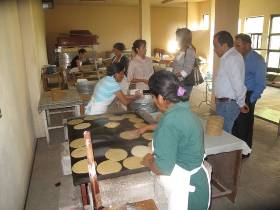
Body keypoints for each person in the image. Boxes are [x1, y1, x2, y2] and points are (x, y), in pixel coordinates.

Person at [141, 70, 210, 210]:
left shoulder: (169, 121)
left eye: (153, 97)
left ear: (160, 98)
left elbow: (162, 168)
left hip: (185, 190)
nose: (154, 101)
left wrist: (148, 162)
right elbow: (177, 128)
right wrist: (149, 126)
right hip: (196, 180)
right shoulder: (183, 109)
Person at [232, 33, 266, 151]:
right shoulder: (238, 57)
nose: (235, 48)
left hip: (248, 95)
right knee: (236, 123)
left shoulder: (257, 60)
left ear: (247, 45)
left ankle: (245, 151)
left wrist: (250, 100)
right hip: (237, 93)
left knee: (245, 125)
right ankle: (235, 150)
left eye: (238, 45)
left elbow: (261, 84)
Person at [213, 31, 249, 133]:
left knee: (224, 136)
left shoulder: (232, 58)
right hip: (224, 104)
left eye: (215, 46)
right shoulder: (228, 57)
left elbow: (238, 84)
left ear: (224, 45)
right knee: (221, 134)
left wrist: (241, 104)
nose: (214, 49)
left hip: (228, 105)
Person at [172, 28, 196, 98]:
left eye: (177, 37)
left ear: (183, 38)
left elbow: (186, 71)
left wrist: (174, 75)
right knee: (178, 102)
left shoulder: (190, 51)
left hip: (184, 83)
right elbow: (176, 63)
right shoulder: (181, 50)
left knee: (182, 103)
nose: (176, 39)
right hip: (178, 81)